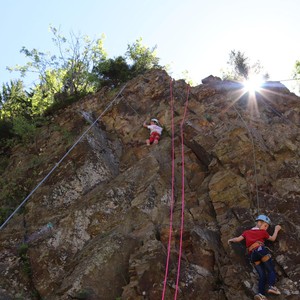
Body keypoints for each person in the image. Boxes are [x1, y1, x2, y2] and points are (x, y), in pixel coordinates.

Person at [228, 215, 282, 300]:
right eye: (265, 225)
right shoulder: (263, 232)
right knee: (271, 270)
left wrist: (230, 240)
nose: (266, 228)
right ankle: (271, 286)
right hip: (260, 250)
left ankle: (261, 294)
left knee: (262, 276)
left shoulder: (246, 232)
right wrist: (276, 229)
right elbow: (273, 239)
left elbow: (238, 239)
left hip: (252, 256)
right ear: (259, 223)